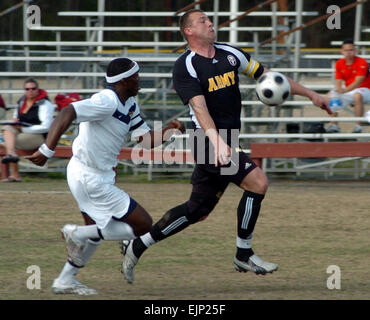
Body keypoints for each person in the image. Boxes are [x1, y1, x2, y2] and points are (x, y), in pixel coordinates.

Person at [120, 9, 332, 283]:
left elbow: (271, 77)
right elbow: (199, 108)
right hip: (207, 142)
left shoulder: (230, 54)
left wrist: (313, 95)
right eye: (202, 21)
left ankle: (138, 245)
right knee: (257, 182)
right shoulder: (186, 65)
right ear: (189, 31)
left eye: (209, 19)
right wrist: (219, 143)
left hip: (226, 141)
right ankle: (243, 253)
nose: (210, 23)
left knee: (197, 210)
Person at [26, 58, 184, 296]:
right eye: (136, 77)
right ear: (124, 81)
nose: (140, 80)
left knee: (96, 234)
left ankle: (65, 280)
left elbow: (145, 139)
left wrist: (171, 128)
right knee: (143, 225)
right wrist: (47, 150)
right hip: (89, 177)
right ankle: (74, 233)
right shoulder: (106, 100)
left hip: (93, 176)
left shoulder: (129, 103)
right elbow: (68, 111)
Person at [1, 78, 54, 182]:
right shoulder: (22, 101)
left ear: (38, 89)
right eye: (27, 89)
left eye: (33, 88)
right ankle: (12, 154)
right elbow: (17, 117)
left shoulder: (45, 104)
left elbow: (45, 127)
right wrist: (15, 121)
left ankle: (15, 173)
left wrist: (24, 129)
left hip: (40, 136)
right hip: (22, 131)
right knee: (7, 128)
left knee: (10, 141)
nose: (30, 91)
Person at [326, 39, 370, 133]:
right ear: (342, 51)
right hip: (349, 91)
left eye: (351, 50)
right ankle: (334, 125)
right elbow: (338, 81)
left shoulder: (362, 62)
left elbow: (358, 82)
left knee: (357, 95)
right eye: (346, 50)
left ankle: (358, 126)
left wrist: (344, 91)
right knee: (330, 95)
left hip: (366, 90)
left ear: (355, 51)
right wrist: (337, 91)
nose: (349, 52)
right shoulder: (339, 63)